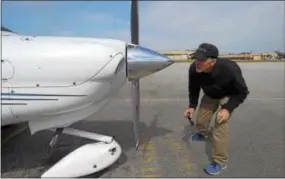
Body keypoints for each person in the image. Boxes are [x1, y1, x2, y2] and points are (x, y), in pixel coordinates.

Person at [184, 43, 249, 175]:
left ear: (213, 61)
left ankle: (220, 161)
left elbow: (242, 92)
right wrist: (192, 106)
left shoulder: (230, 69)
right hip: (210, 95)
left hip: (227, 97)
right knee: (200, 122)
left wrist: (228, 109)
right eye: (196, 58)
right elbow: (193, 88)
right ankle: (204, 134)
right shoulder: (194, 69)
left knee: (220, 127)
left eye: (202, 60)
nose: (197, 62)